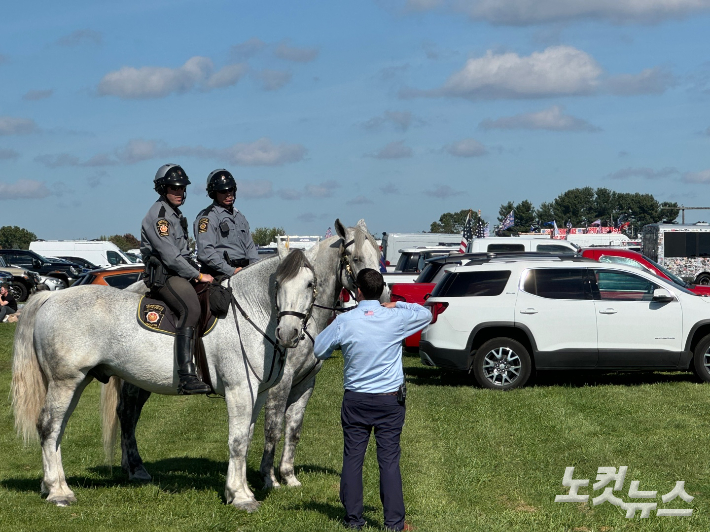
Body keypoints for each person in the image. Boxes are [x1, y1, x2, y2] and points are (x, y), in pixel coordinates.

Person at [314, 268, 431, 531]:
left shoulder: (346, 320)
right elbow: (425, 314)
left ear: (357, 291)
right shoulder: (395, 316)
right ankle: (393, 522)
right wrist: (398, 304)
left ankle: (354, 519)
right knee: (389, 460)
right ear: (382, 291)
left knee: (353, 458)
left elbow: (319, 349)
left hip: (356, 398)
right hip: (389, 400)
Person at [140, 164, 213, 395]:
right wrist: (199, 275)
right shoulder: (159, 217)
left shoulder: (175, 214)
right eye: (174, 188)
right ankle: (187, 376)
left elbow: (183, 253)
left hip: (179, 272)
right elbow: (171, 257)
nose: (180, 192)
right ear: (162, 188)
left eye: (182, 188)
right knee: (191, 308)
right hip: (166, 276)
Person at [194, 169, 258, 278]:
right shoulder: (208, 217)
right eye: (223, 191)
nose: (229, 194)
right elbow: (206, 252)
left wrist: (256, 270)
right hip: (220, 274)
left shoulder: (239, 217)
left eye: (231, 189)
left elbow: (250, 248)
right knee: (222, 295)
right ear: (214, 193)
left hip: (245, 273)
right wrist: (232, 271)